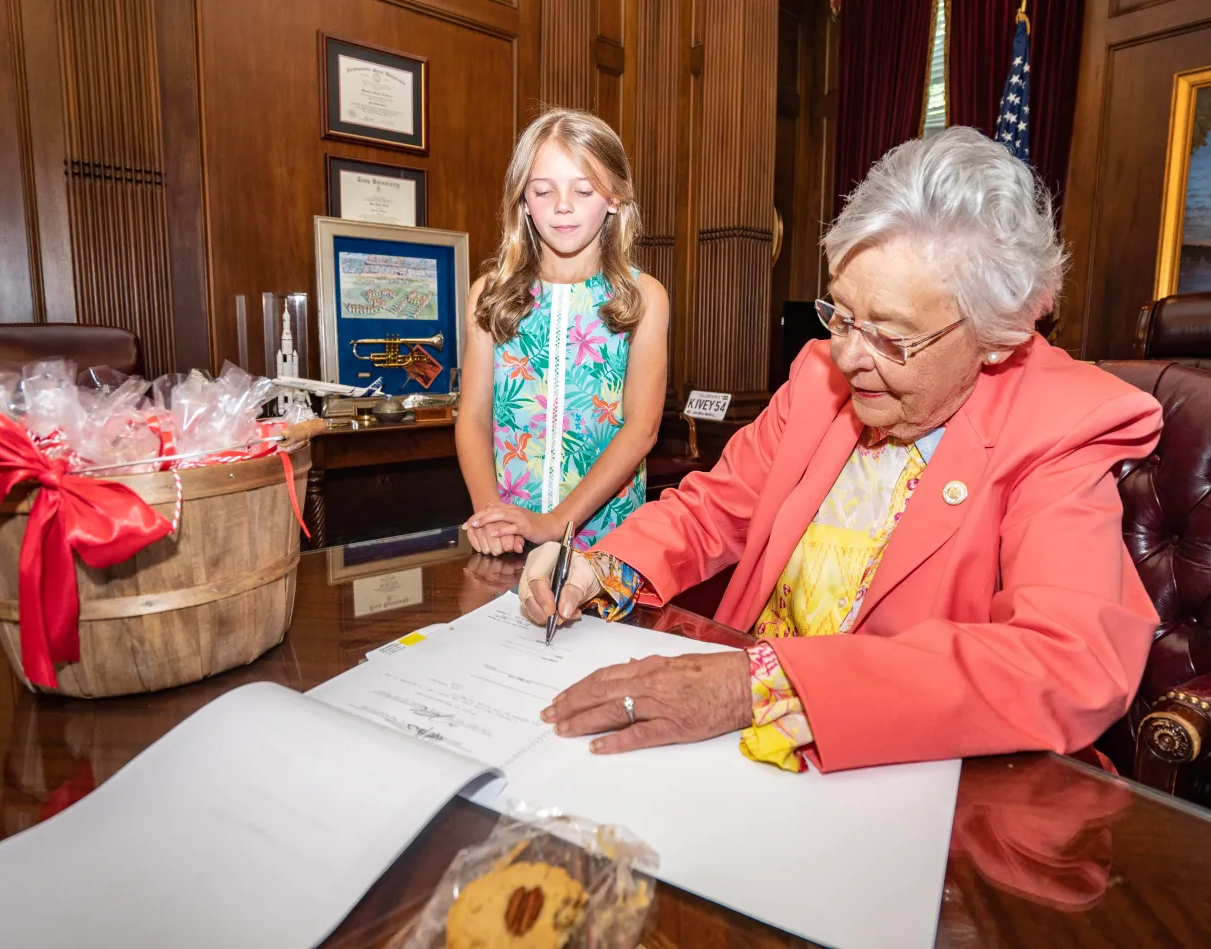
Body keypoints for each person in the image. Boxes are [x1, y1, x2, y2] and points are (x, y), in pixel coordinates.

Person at [517, 126, 1164, 774]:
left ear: (998, 336)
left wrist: (758, 686)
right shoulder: (818, 377)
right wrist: (603, 567)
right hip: (738, 751)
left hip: (910, 769)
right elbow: (713, 508)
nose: (849, 356)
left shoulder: (1059, 424)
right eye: (843, 315)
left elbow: (1069, 659)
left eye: (891, 336)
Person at [455, 108, 668, 556]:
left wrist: (555, 523)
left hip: (608, 543)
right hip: (511, 539)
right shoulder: (489, 295)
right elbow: (472, 417)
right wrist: (493, 516)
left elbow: (642, 428)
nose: (562, 205)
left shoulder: (644, 298)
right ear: (523, 200)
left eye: (583, 189)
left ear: (614, 197)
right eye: (543, 190)